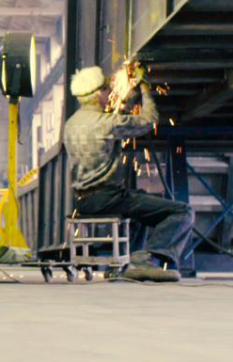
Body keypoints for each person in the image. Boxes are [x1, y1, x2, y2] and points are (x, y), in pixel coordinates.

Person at [63, 66, 193, 282]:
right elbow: (148, 120)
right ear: (97, 96)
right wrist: (144, 87)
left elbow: (117, 120)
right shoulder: (106, 124)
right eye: (106, 90)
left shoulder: (71, 124)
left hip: (82, 201)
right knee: (183, 212)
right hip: (108, 198)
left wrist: (127, 96)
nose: (109, 94)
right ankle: (146, 258)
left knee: (140, 199)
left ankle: (129, 263)